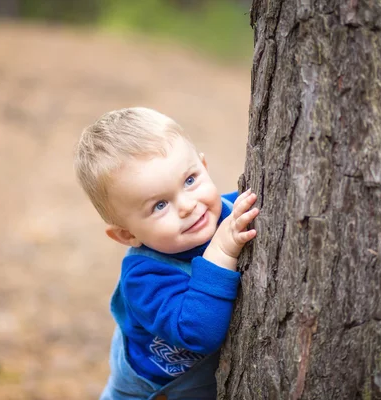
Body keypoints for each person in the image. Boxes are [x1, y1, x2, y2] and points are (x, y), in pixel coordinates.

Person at [74, 107, 258, 399]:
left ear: (203, 165)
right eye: (159, 205)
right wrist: (222, 250)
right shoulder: (144, 278)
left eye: (189, 180)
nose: (187, 205)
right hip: (151, 391)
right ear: (127, 235)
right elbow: (198, 332)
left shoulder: (232, 212)